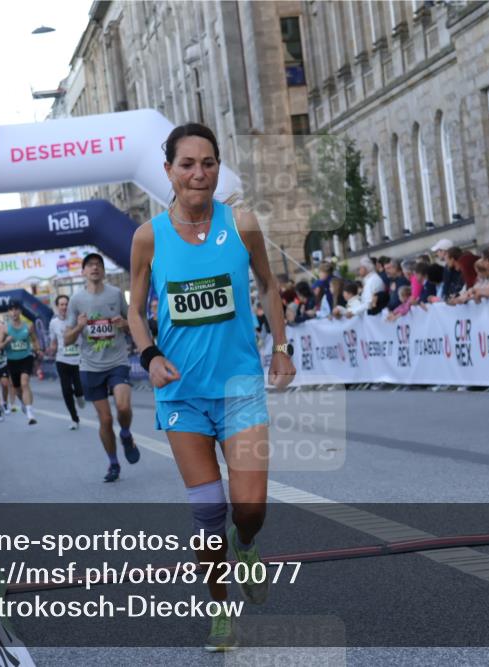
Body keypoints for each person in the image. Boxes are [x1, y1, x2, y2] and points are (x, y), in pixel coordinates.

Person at [126, 123, 295, 651]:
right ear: (169, 172)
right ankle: (220, 612)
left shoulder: (241, 224)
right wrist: (150, 355)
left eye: (208, 162)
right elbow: (133, 310)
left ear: (218, 167)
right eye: (187, 164)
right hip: (182, 395)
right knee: (207, 511)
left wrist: (282, 348)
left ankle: (246, 547)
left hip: (240, 386)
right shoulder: (149, 236)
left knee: (249, 509)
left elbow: (269, 286)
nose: (199, 173)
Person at [64, 253, 140, 480]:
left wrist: (124, 323)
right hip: (90, 366)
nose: (95, 268)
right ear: (83, 272)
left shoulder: (116, 295)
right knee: (105, 420)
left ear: (104, 271)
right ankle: (113, 464)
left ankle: (125, 434)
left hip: (117, 361)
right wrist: (79, 327)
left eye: (98, 265)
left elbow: (133, 325)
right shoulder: (76, 301)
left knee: (123, 407)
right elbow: (67, 339)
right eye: (90, 265)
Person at [0, 303, 41, 425]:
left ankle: (30, 413)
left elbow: (34, 339)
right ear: (8, 313)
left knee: (24, 383)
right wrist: (6, 341)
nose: (14, 312)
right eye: (11, 310)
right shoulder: (4, 329)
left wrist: (38, 349)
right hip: (12, 361)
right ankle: (24, 404)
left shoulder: (29, 326)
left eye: (16, 309)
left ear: (20, 311)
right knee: (17, 389)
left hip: (26, 358)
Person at [48, 294, 86, 430]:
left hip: (78, 360)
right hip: (62, 360)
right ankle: (74, 419)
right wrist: (51, 349)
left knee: (79, 388)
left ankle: (80, 395)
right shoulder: (53, 323)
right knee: (66, 390)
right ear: (57, 307)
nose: (64, 307)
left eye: (66, 304)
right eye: (61, 304)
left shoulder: (77, 319)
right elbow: (53, 341)